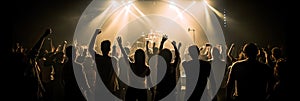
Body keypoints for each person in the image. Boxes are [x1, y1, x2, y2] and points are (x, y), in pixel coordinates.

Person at [117, 36, 152, 101]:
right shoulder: (136, 66)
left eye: (140, 56)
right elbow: (125, 56)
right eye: (138, 56)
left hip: (137, 90)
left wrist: (152, 90)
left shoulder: (145, 68)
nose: (139, 58)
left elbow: (149, 81)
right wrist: (120, 45)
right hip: (135, 90)